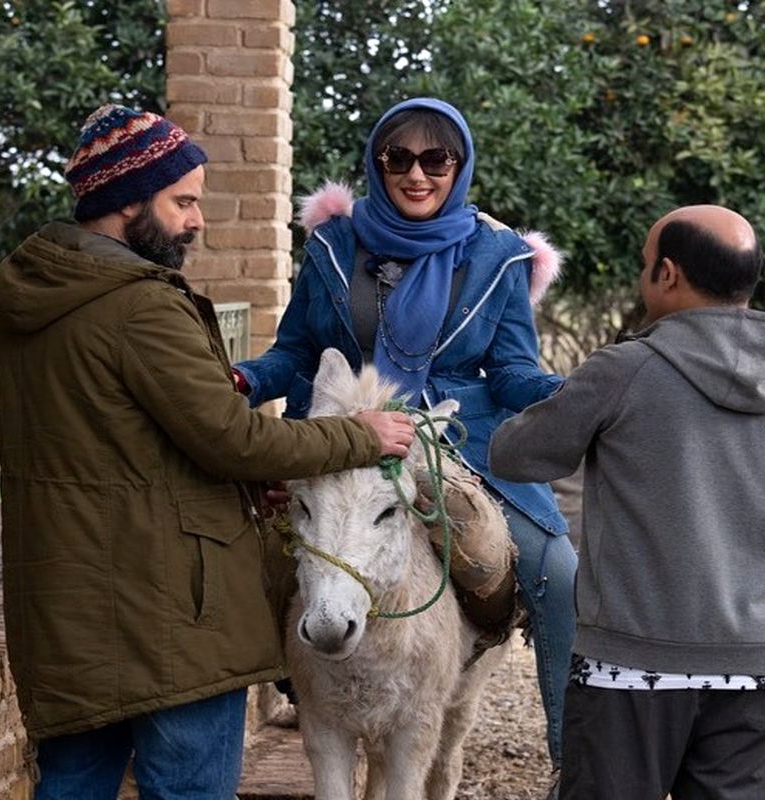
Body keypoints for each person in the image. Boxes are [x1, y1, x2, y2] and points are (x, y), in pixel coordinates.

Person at [0, 103, 416, 800]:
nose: (197, 220)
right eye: (182, 201)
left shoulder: (31, 302)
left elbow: (121, 446)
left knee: (71, 784)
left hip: (68, 605)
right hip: (170, 614)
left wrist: (244, 491)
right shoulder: (140, 306)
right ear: (127, 201)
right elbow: (233, 437)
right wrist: (359, 435)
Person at [232, 97, 578, 775]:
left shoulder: (498, 256)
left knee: (558, 571)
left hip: (456, 446)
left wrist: (571, 393)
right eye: (399, 158)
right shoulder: (334, 244)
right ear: (377, 163)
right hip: (343, 437)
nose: (416, 175)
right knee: (254, 563)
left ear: (459, 165)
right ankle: (291, 677)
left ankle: (578, 763)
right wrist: (241, 380)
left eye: (435, 159)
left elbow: (509, 370)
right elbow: (297, 353)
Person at [490, 205, 765, 799]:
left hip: (628, 665)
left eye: (644, 263)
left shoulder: (625, 370)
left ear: (669, 275)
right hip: (764, 663)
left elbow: (516, 455)